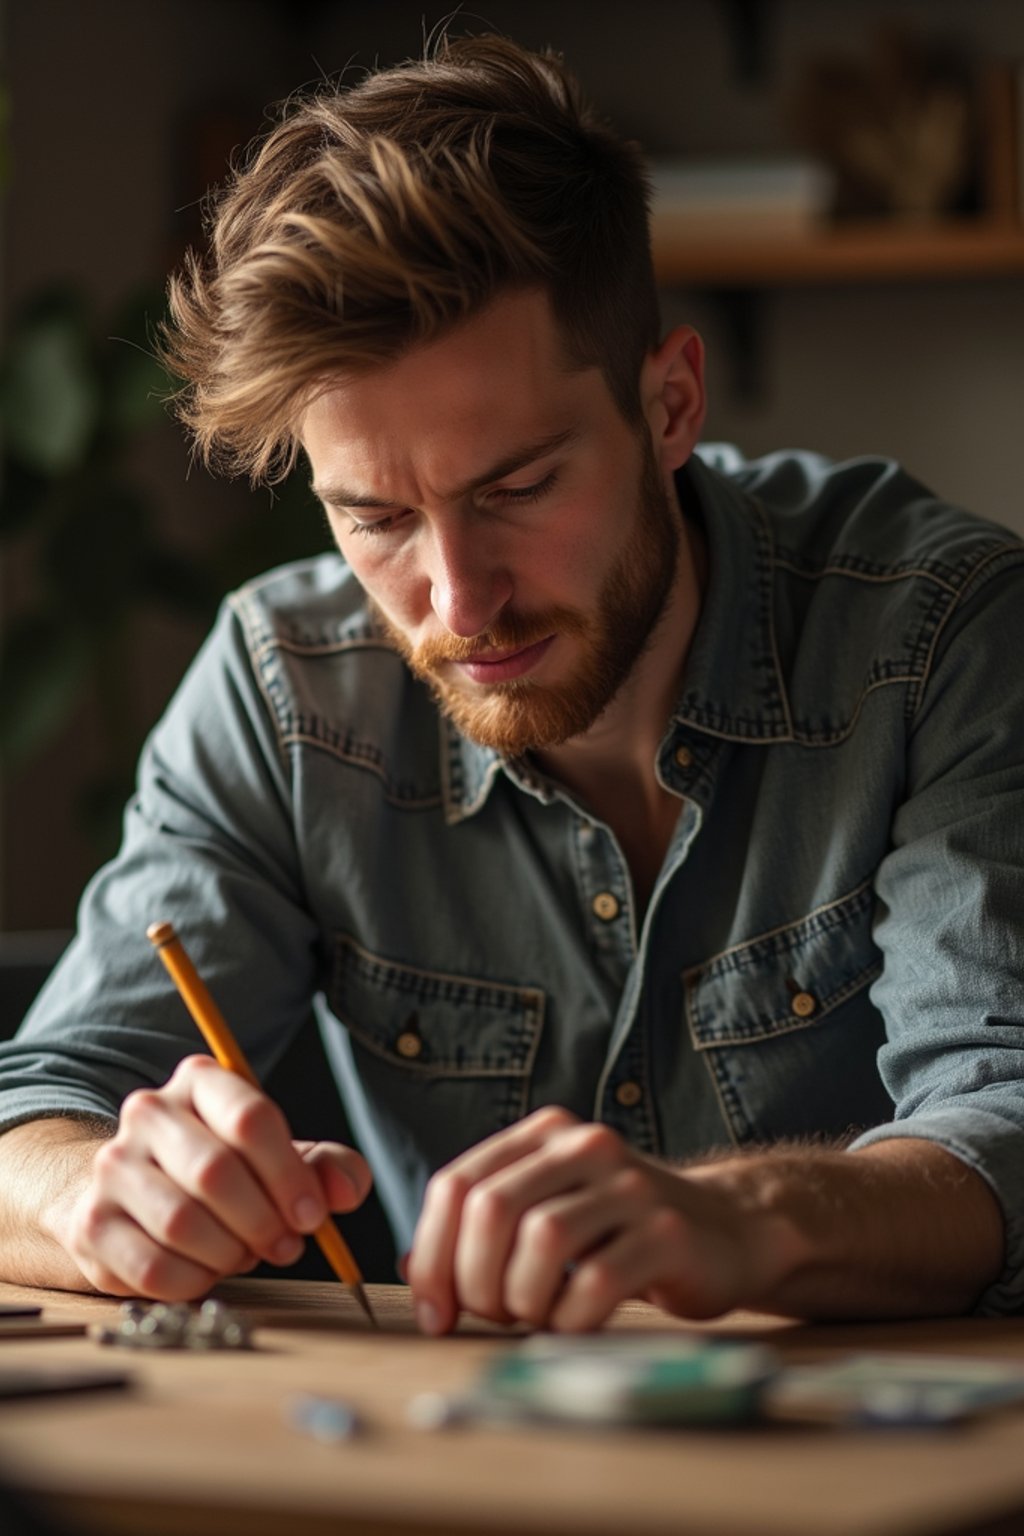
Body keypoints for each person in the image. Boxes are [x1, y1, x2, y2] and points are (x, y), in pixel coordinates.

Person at [1, 33, 1021, 1335]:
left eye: (519, 489)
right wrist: (101, 1191)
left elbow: (1009, 1116)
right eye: (373, 517)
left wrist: (739, 1220)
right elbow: (34, 1102)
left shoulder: (941, 634)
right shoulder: (284, 686)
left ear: (669, 406)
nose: (458, 601)